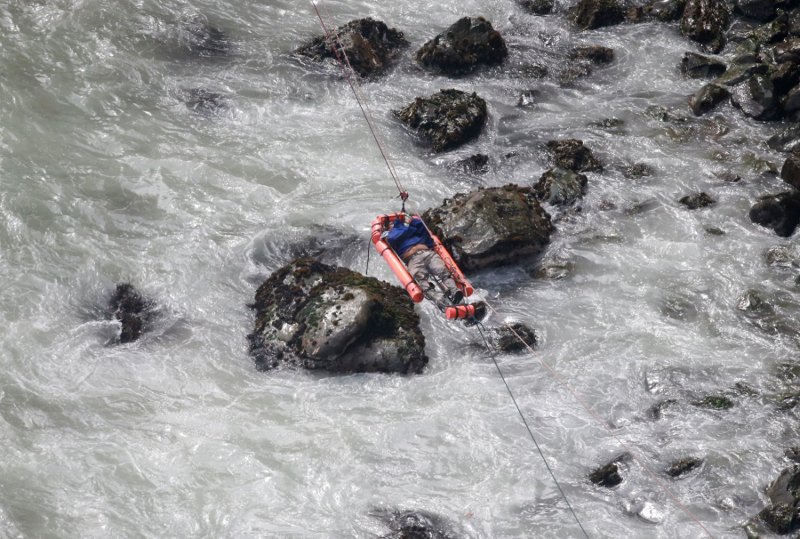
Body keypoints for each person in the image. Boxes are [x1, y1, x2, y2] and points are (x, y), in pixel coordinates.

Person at [384, 215, 486, 321]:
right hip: (413, 260)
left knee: (443, 272)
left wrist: (412, 222)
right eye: (390, 225)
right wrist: (405, 225)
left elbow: (423, 229)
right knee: (423, 284)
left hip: (428, 253)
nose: (392, 226)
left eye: (393, 224)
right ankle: (443, 301)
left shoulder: (409, 230)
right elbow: (395, 236)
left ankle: (455, 292)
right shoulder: (391, 236)